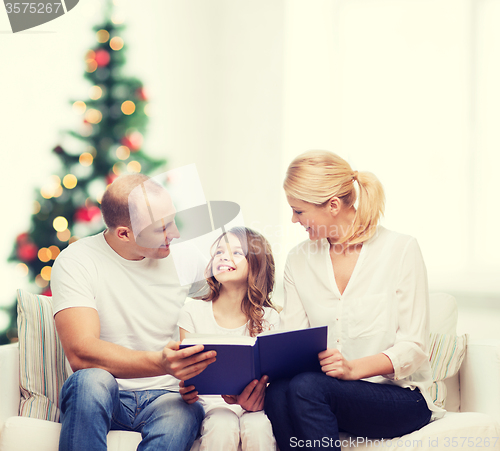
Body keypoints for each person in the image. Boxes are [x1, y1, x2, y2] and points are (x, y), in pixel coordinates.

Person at [264, 150, 445, 451]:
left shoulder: (400, 250)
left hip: (401, 397)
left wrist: (353, 369)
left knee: (306, 387)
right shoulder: (298, 260)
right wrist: (257, 381)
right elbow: (292, 342)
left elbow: (413, 348)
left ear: (333, 205)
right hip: (329, 393)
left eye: (299, 211)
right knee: (278, 392)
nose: (294, 220)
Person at [51, 174, 216, 451]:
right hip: (109, 395)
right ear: (124, 233)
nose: (175, 234)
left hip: (169, 397)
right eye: (161, 228)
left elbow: (235, 300)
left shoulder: (184, 257)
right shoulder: (77, 260)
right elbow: (81, 352)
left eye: (173, 220)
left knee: (182, 411)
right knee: (90, 380)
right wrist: (160, 363)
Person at [178, 227, 279, 451]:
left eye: (236, 252)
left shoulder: (270, 318)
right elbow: (187, 372)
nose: (224, 257)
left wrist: (258, 398)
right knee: (222, 424)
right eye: (219, 252)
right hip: (210, 407)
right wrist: (185, 388)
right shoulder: (192, 312)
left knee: (258, 426)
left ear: (256, 263)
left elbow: (275, 378)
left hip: (255, 408)